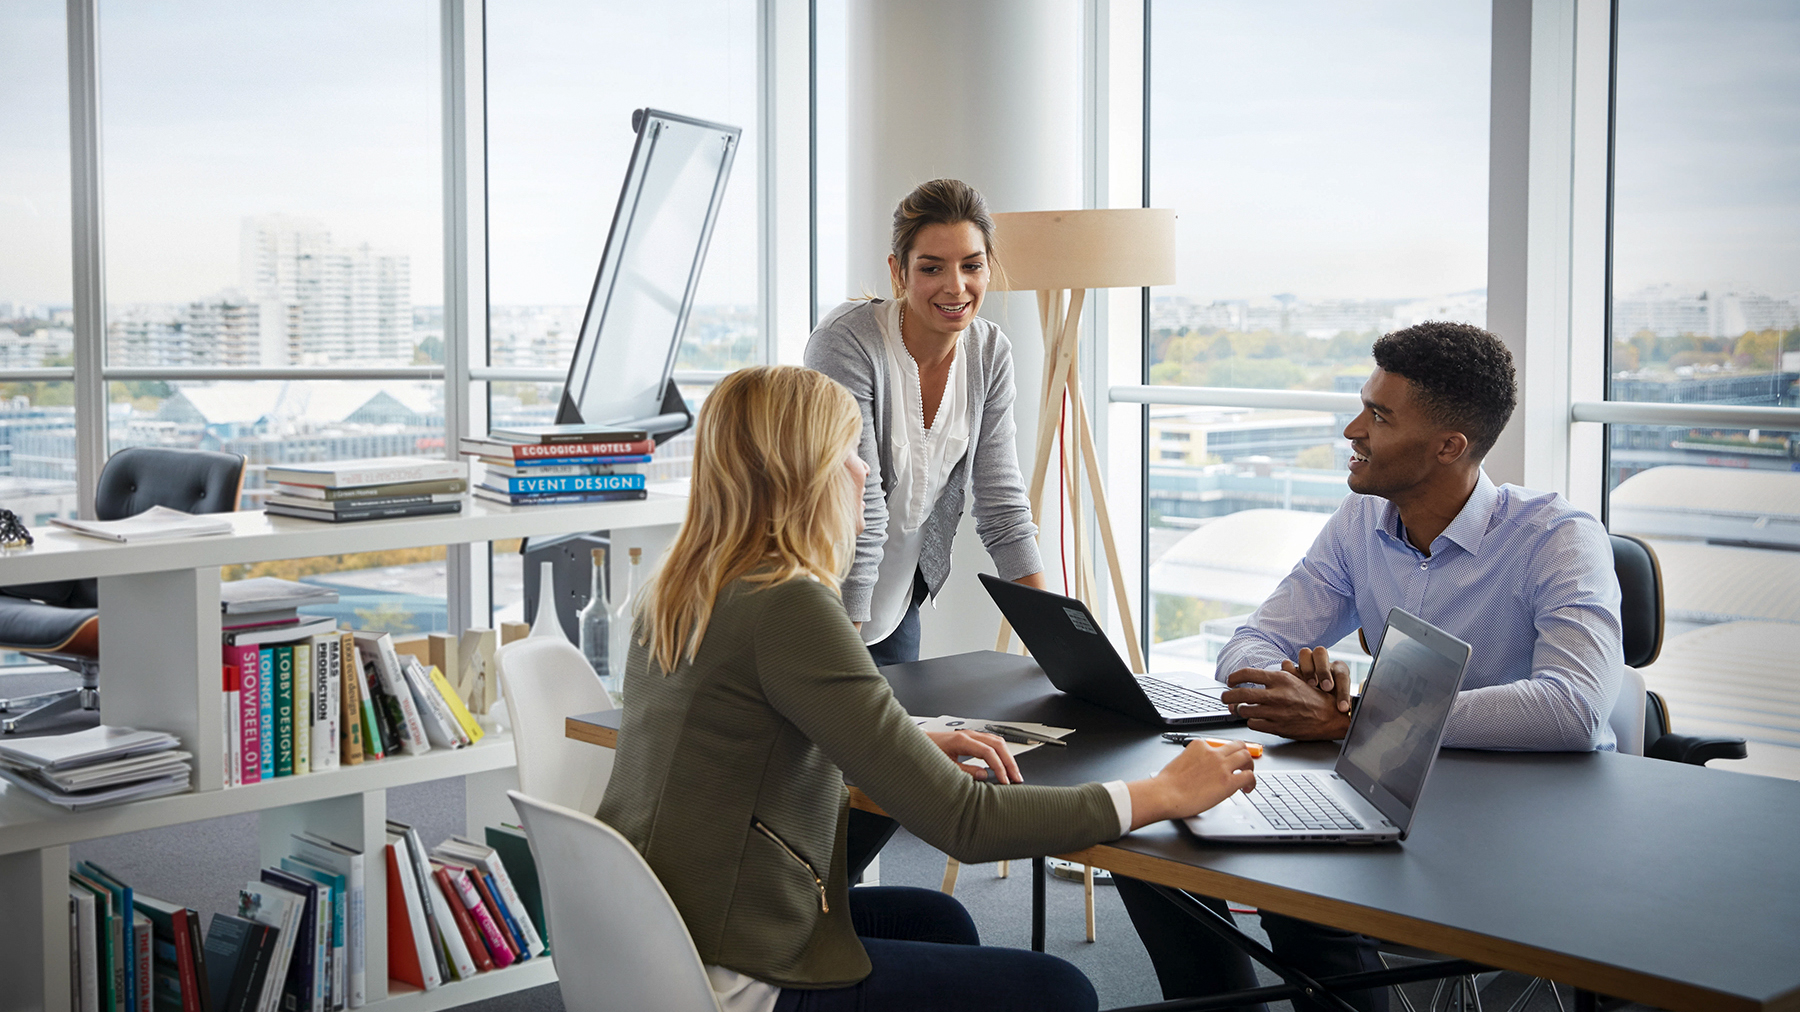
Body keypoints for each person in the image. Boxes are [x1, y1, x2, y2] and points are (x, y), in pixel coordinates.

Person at [597, 365, 1259, 1012]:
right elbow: (965, 822)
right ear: (806, 475)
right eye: (850, 454)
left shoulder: (683, 588)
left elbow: (748, 742)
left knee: (937, 921)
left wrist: (907, 743)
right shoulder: (788, 606)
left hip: (656, 929)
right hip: (738, 971)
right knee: (1062, 992)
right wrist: (1161, 793)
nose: (864, 473)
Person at [1115, 321, 1624, 1011]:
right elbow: (1251, 641)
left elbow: (1574, 708)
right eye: (1363, 406)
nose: (1352, 430)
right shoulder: (1363, 522)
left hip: (1519, 822)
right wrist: (1293, 687)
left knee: (1306, 901)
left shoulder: (1559, 539)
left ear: (1449, 446)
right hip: (1384, 791)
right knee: (1151, 831)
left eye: (1379, 417)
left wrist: (1356, 717)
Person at [806, 178, 1049, 877]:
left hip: (898, 598)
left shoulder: (990, 351)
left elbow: (1000, 498)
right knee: (832, 784)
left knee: (885, 794)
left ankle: (830, 913)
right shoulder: (848, 342)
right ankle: (801, 916)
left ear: (989, 267)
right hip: (829, 594)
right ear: (898, 271)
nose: (955, 286)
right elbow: (860, 506)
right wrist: (844, 652)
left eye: (972, 265)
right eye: (932, 267)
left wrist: (1058, 638)